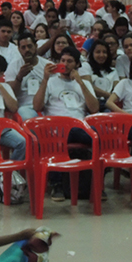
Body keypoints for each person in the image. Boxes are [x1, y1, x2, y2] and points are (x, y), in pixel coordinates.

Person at [34, 46, 100, 201]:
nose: (65, 64)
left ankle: (96, 183)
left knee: (99, 136)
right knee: (57, 136)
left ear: (77, 64)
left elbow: (95, 109)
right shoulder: (50, 82)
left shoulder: (83, 83)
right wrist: (44, 79)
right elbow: (37, 107)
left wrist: (81, 83)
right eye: (63, 60)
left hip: (79, 126)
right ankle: (57, 184)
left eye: (70, 61)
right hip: (55, 127)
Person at [82, 38, 119, 104]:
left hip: (108, 103)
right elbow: (87, 87)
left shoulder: (113, 71)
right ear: (92, 53)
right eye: (98, 52)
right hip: (90, 103)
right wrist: (109, 95)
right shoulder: (85, 66)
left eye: (104, 52)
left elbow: (117, 90)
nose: (101, 55)